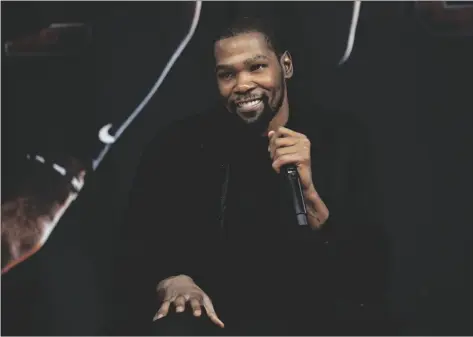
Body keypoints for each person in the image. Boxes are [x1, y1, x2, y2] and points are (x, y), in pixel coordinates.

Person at [116, 17, 390, 336]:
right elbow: (136, 251)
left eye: (257, 67)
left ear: (285, 65)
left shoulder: (341, 141)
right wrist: (172, 280)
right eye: (227, 74)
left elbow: (371, 274)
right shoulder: (178, 147)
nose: (243, 84)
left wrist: (311, 196)